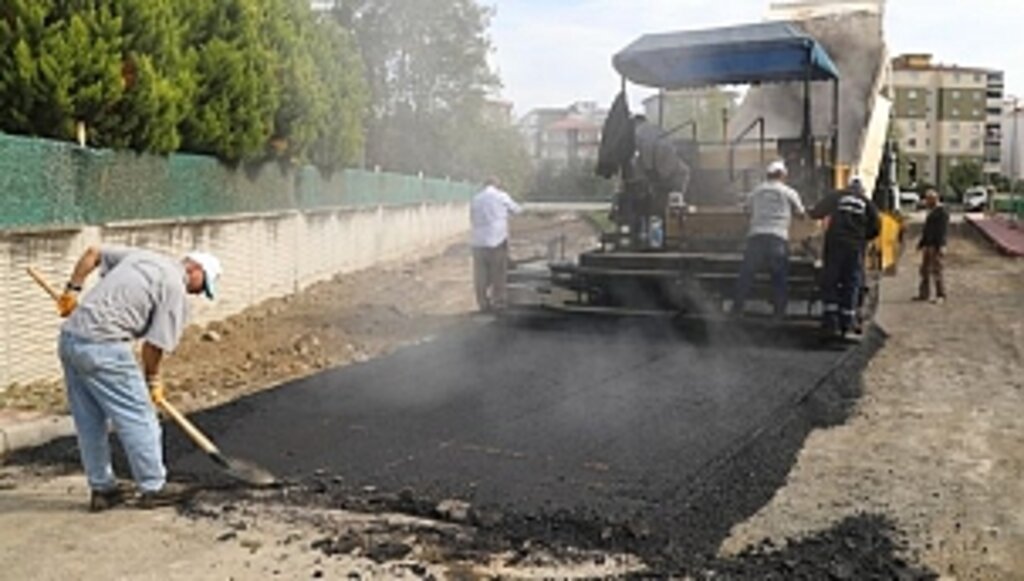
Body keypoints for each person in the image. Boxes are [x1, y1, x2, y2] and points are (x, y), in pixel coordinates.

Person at [56, 246, 222, 511]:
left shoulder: (144, 257)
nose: (200, 293)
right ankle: (153, 487)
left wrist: (71, 290)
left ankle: (103, 489)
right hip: (105, 348)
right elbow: (153, 347)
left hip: (70, 341)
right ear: (194, 269)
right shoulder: (174, 289)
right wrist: (153, 381)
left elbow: (92, 253)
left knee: (90, 422)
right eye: (204, 285)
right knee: (140, 418)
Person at [732, 160, 806, 319]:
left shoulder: (756, 191)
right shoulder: (789, 192)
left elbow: (745, 210)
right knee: (779, 276)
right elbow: (801, 214)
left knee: (746, 274)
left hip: (756, 237)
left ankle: (737, 308)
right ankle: (778, 313)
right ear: (782, 175)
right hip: (777, 239)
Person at [810, 176, 881, 337]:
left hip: (835, 244)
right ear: (861, 190)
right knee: (852, 281)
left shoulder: (837, 196)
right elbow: (876, 228)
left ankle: (830, 320)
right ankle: (847, 322)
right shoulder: (867, 203)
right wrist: (862, 237)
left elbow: (817, 212)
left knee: (831, 279)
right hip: (854, 247)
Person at [470, 177, 521, 312]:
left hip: (478, 243)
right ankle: (498, 303)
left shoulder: (476, 199)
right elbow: (517, 210)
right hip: (497, 241)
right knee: (498, 273)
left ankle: (483, 304)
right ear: (497, 185)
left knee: (480, 275)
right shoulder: (501, 196)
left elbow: (472, 218)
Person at [915, 189, 949, 304]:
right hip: (928, 245)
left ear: (934, 199)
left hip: (936, 246)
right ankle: (924, 294)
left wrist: (941, 246)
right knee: (924, 270)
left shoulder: (942, 212)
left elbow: (942, 231)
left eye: (928, 199)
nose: (926, 202)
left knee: (937, 270)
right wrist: (921, 243)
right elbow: (927, 230)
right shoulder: (932, 211)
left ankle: (941, 295)